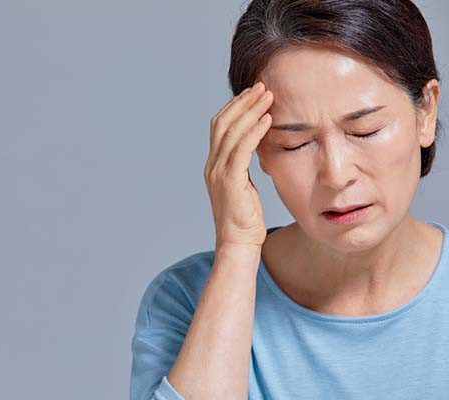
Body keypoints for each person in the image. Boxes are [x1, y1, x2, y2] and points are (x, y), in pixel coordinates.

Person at [130, 0, 447, 399]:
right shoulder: (185, 298)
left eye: (364, 130)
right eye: (294, 143)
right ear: (255, 147)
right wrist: (237, 248)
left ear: (426, 112)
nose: (336, 173)